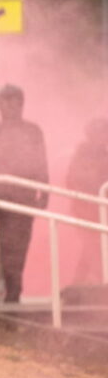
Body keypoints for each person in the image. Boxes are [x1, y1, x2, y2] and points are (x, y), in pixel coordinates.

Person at [0, 84, 49, 303]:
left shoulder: (33, 131)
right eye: (6, 101)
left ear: (22, 104)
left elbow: (41, 162)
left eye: (15, 101)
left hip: (24, 195)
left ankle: (13, 288)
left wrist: (44, 191)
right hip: (1, 196)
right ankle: (11, 289)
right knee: (5, 243)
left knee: (20, 243)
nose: (11, 106)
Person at [66, 118, 108, 284]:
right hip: (88, 209)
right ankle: (92, 282)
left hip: (101, 209)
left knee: (93, 247)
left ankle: (80, 282)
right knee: (93, 245)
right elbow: (75, 179)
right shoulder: (83, 155)